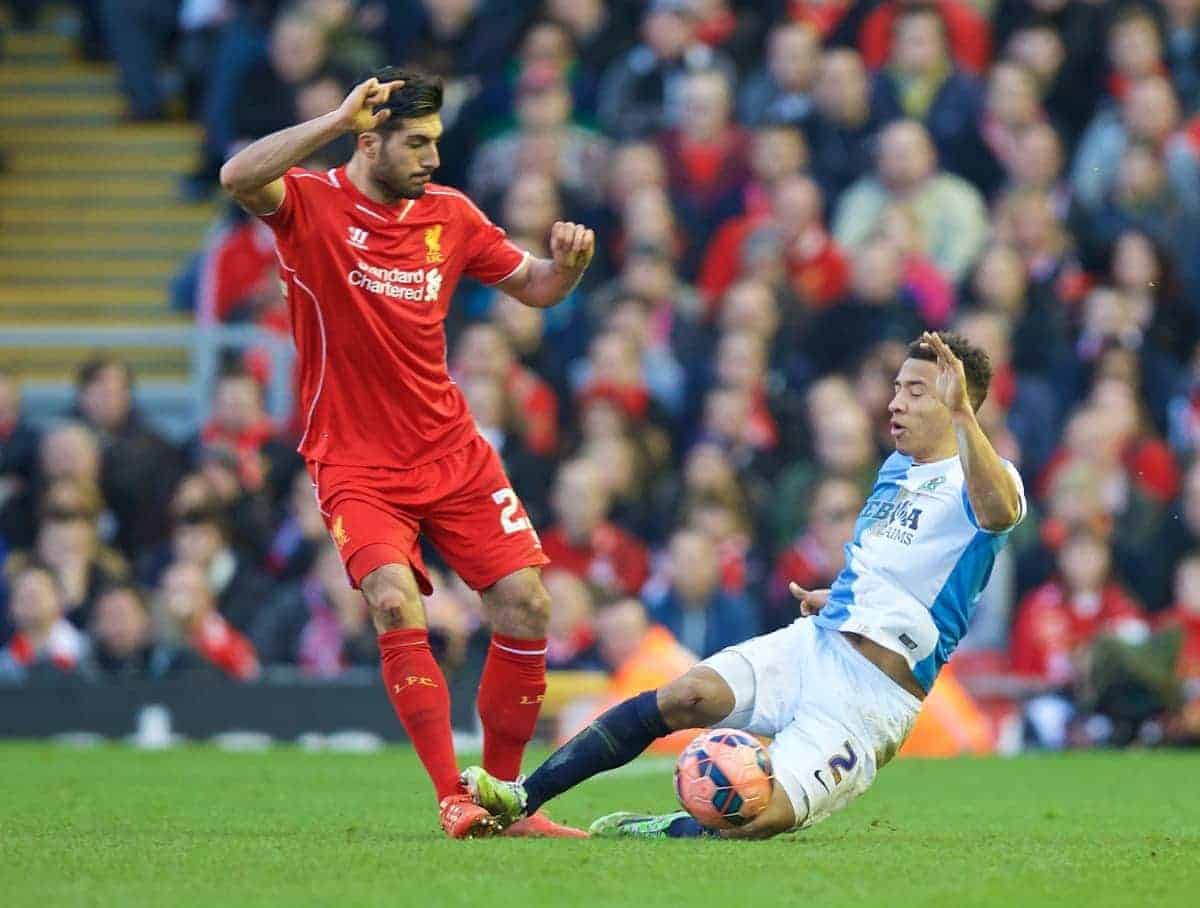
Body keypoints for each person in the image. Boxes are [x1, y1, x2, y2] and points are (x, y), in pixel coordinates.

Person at [219, 68, 595, 839]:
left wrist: (570, 269)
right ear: (369, 139)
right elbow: (237, 176)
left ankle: (509, 800)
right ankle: (450, 796)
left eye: (436, 143)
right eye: (416, 143)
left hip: (451, 450)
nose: (431, 158)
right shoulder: (309, 206)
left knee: (526, 604)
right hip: (355, 461)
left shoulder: (450, 215)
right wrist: (332, 117)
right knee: (393, 600)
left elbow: (535, 286)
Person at [461, 331, 1026, 839]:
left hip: (873, 699)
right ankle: (521, 798)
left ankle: (661, 830)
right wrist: (839, 598)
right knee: (686, 694)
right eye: (897, 387)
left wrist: (962, 420)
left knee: (763, 818)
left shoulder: (991, 480)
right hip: (816, 645)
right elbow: (892, 573)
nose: (895, 402)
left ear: (958, 402)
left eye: (917, 391)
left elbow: (998, 514)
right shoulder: (894, 469)